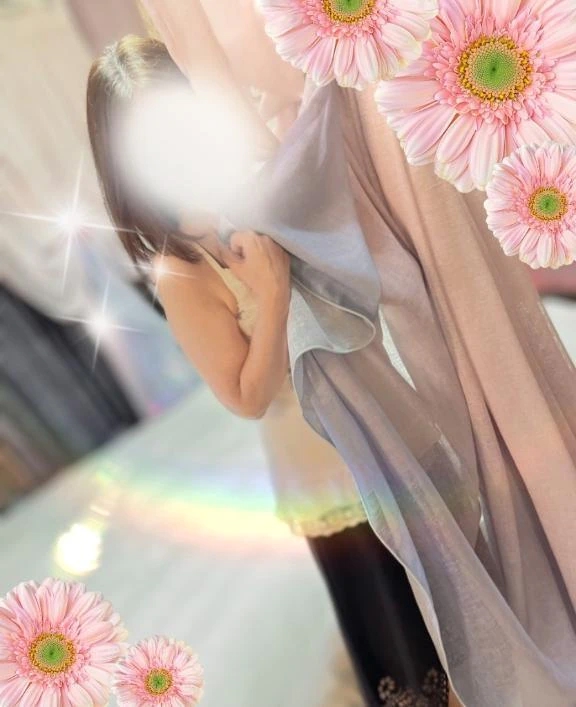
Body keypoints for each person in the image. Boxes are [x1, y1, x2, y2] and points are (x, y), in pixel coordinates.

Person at [87, 36, 457, 707]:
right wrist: (273, 291)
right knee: (406, 666)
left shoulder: (250, 185)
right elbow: (246, 396)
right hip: (327, 473)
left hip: (389, 426)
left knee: (460, 616)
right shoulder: (181, 269)